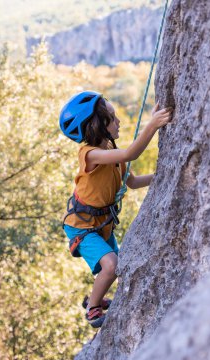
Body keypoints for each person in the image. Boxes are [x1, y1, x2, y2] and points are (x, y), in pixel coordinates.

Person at [59, 91, 173, 328]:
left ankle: (95, 298)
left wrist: (165, 174)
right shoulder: (91, 155)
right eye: (111, 118)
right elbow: (131, 153)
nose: (118, 121)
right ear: (96, 126)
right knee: (111, 265)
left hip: (102, 225)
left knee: (118, 265)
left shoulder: (110, 150)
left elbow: (132, 182)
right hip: (82, 227)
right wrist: (152, 125)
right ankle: (93, 308)